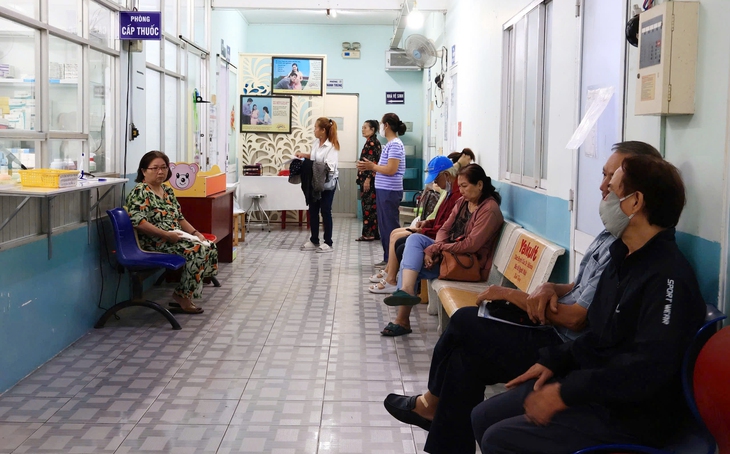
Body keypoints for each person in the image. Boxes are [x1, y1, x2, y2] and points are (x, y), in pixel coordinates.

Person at [383, 141, 663, 454]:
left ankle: (430, 403)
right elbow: (579, 288)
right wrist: (549, 288)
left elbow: (583, 323)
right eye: (603, 176)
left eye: (612, 180)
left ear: (636, 199)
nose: (602, 187)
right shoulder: (611, 240)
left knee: (464, 321)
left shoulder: (643, 263)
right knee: (464, 359)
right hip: (555, 329)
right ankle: (440, 431)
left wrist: (512, 295)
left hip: (559, 338)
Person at [470, 155, 705, 454]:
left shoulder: (668, 277)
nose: (603, 194)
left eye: (613, 189)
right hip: (596, 390)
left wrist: (565, 393)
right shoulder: (621, 258)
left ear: (635, 202)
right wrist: (555, 360)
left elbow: (647, 369)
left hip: (631, 416)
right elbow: (600, 335)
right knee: (483, 416)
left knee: (499, 438)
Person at [381, 164, 504, 336]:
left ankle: (402, 319)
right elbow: (444, 229)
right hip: (451, 256)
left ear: (480, 185)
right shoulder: (463, 202)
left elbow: (471, 245)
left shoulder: (489, 210)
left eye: (464, 186)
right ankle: (407, 291)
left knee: (410, 265)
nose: (461, 191)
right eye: (459, 186)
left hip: (468, 265)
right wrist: (437, 250)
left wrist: (436, 248)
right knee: (414, 241)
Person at [125, 151, 219, 315]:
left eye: (163, 167)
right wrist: (165, 235)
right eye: (155, 168)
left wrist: (196, 233)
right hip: (154, 241)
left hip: (174, 237)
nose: (160, 172)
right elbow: (139, 222)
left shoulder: (167, 191)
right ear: (143, 171)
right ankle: (183, 296)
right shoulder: (140, 192)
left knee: (209, 246)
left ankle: (188, 290)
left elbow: (179, 218)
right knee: (197, 250)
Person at [368, 154, 462, 295]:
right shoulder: (449, 192)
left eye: (437, 179)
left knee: (401, 244)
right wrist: (426, 223)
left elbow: (447, 229)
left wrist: (423, 231)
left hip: (441, 239)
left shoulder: (457, 196)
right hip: (435, 232)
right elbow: (442, 220)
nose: (435, 183)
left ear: (447, 175)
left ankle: (397, 283)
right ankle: (394, 280)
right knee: (398, 238)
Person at [356, 113, 407, 267]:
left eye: (381, 124)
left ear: (387, 126)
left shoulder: (395, 145)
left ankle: (392, 260)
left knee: (390, 227)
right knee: (384, 227)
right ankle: (388, 258)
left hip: (389, 190)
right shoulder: (389, 145)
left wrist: (372, 167)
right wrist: (368, 166)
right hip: (384, 189)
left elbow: (391, 169)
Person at [297, 117, 340, 253]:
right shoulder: (316, 143)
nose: (314, 130)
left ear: (323, 130)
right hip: (314, 182)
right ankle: (314, 239)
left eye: (316, 127)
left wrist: (313, 165)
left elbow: (329, 167)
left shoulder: (332, 146)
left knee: (325, 210)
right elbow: (314, 157)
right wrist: (303, 155)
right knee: (313, 210)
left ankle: (328, 242)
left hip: (327, 183)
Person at [355, 120, 382, 242]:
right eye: (362, 127)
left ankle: (369, 234)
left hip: (369, 180)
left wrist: (368, 179)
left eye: (365, 127)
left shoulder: (372, 143)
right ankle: (373, 233)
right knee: (370, 207)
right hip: (366, 179)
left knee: (368, 207)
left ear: (372, 129)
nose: (363, 130)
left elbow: (374, 163)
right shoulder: (370, 142)